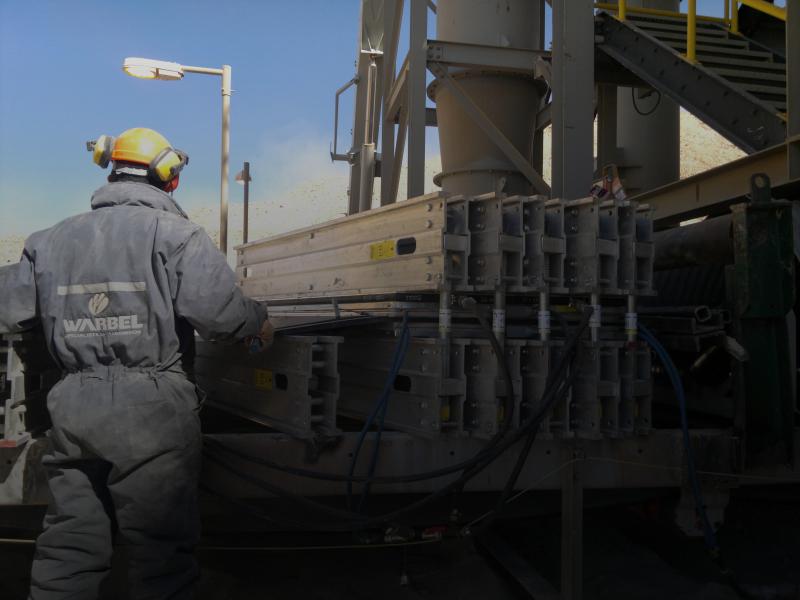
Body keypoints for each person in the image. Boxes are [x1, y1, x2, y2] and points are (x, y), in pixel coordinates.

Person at [0, 127, 273, 599]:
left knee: (70, 545)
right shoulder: (177, 235)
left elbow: (11, 311)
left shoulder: (49, 241)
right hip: (153, 413)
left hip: (73, 408)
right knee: (160, 557)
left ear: (111, 171)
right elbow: (222, 317)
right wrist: (259, 323)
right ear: (167, 176)